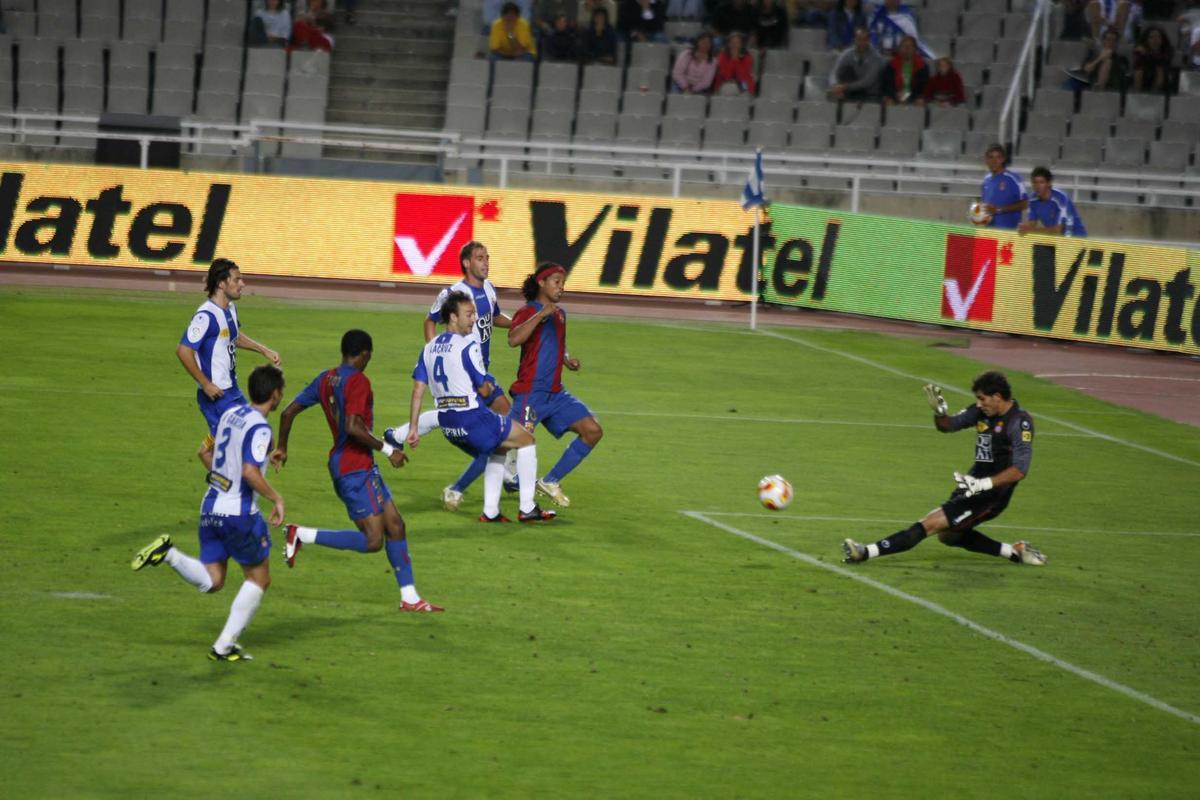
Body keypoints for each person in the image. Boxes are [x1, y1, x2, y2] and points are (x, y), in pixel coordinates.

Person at [271, 330, 443, 613]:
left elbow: (288, 412)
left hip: (360, 467)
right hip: (352, 469)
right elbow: (352, 427)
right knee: (373, 540)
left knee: (396, 525)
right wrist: (390, 451)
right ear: (364, 354)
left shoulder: (326, 378)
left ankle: (410, 597)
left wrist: (283, 448)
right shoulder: (358, 381)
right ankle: (300, 534)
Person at [131, 365, 287, 662]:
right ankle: (224, 645)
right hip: (239, 514)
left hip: (210, 507)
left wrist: (230, 474)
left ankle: (168, 554)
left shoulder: (229, 415)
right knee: (259, 578)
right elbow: (250, 472)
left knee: (214, 580)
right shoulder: (261, 427)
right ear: (275, 394)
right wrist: (276, 498)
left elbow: (204, 452)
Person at [842, 373, 1047, 567]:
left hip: (991, 495)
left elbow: (1019, 469)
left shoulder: (1019, 422)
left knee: (930, 523)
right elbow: (948, 425)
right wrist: (939, 413)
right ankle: (1014, 552)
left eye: (982, 399)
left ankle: (865, 551)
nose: (978, 404)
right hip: (971, 484)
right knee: (949, 536)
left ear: (997, 397)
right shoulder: (981, 412)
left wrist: (983, 484)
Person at [385, 241, 515, 512]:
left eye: (487, 257)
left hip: (480, 366)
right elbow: (430, 320)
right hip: (461, 367)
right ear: (466, 263)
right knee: (488, 419)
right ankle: (505, 476)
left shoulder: (488, 289)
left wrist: (518, 322)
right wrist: (436, 355)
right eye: (480, 258)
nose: (486, 262)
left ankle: (396, 435)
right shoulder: (454, 293)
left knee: (489, 413)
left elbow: (493, 316)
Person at [406, 292, 556, 523]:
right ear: (453, 317)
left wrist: (414, 428)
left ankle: (491, 512)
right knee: (526, 440)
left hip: (448, 424)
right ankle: (527, 507)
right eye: (468, 314)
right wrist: (488, 385)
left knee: (498, 449)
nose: (474, 319)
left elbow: (418, 390)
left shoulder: (429, 347)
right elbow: (484, 390)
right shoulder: (468, 346)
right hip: (472, 418)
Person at [506, 263, 603, 508]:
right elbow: (513, 339)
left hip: (556, 394)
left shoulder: (560, 314)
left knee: (593, 430)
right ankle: (459, 487)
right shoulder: (528, 311)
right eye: (556, 282)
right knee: (504, 442)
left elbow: (557, 342)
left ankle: (550, 481)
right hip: (531, 393)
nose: (561, 287)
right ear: (541, 282)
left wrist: (567, 359)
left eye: (563, 282)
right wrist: (540, 316)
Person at [177, 258, 281, 465]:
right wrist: (205, 383)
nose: (242, 284)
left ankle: (223, 482)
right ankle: (221, 488)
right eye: (237, 279)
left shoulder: (230, 309)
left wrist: (263, 350)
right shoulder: (205, 316)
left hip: (231, 390)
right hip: (216, 396)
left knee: (252, 425)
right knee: (230, 446)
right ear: (221, 284)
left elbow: (233, 336)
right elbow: (183, 350)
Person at [1019, 166, 1088, 237]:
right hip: (1055, 239)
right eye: (1035, 182)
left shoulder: (1061, 198)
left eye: (1041, 182)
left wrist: (1031, 230)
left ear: (1049, 183)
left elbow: (1057, 230)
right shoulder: (1032, 200)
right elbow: (1031, 225)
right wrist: (1024, 229)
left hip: (1075, 238)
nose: (1037, 186)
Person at [979, 143, 1027, 231]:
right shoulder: (986, 180)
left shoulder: (1014, 179)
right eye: (991, 157)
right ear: (986, 159)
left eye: (998, 157)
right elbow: (985, 206)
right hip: (989, 232)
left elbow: (1025, 203)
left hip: (1008, 234)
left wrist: (999, 209)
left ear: (1003, 159)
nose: (994, 161)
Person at [828, 27, 884, 102]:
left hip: (870, 94)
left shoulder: (876, 58)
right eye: (859, 39)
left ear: (869, 41)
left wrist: (845, 87)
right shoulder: (847, 54)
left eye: (864, 40)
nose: (861, 42)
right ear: (854, 40)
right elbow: (834, 72)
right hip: (850, 91)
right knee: (844, 71)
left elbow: (867, 82)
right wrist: (835, 86)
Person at [881, 34, 928, 105]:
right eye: (904, 46)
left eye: (909, 47)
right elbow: (887, 85)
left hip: (914, 97)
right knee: (888, 102)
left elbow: (923, 86)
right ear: (899, 49)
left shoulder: (922, 66)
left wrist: (909, 95)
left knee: (920, 103)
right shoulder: (891, 65)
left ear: (915, 49)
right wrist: (895, 94)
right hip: (895, 96)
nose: (907, 49)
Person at [1131, 25, 1173, 91]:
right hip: (1144, 79)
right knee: (1139, 71)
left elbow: (1161, 76)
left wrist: (1149, 55)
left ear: (1162, 40)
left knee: (1161, 71)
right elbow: (1138, 70)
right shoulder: (1140, 51)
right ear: (1146, 40)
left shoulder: (1166, 51)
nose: (1155, 40)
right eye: (1151, 37)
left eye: (1158, 37)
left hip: (1162, 85)